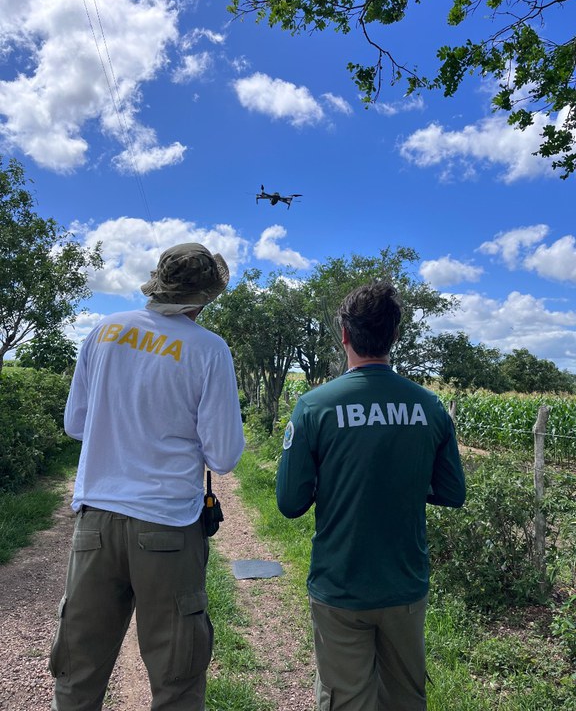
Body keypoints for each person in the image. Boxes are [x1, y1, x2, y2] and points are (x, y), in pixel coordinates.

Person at [50, 242, 245, 711]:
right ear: (203, 298)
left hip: (94, 525)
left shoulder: (104, 331)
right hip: (169, 531)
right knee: (177, 677)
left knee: (77, 671)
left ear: (157, 285)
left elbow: (76, 424)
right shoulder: (209, 349)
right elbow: (223, 456)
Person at [276, 281, 466, 711]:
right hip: (404, 584)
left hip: (339, 584)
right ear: (394, 335)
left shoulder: (314, 406)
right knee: (405, 698)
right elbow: (452, 491)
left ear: (344, 335)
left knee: (345, 700)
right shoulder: (430, 406)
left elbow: (290, 504)